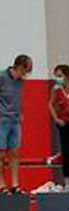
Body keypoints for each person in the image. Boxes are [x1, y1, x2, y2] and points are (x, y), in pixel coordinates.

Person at [0, 54, 32, 194]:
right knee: (1, 154)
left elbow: (16, 99)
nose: (26, 74)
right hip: (2, 120)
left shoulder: (20, 82)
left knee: (15, 153)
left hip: (15, 120)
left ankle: (15, 184)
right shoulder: (2, 77)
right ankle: (1, 185)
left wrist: (20, 113)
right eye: (26, 70)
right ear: (19, 66)